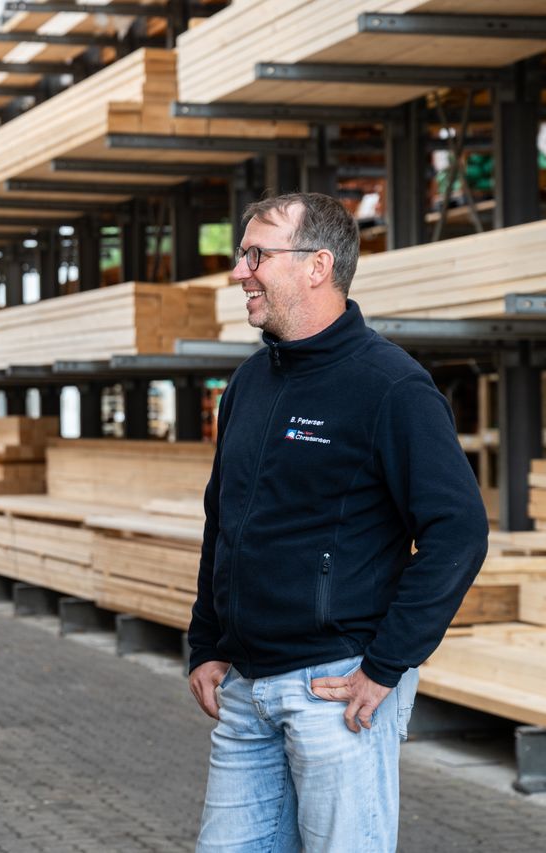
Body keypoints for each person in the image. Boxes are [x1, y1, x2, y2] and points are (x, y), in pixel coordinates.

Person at [188, 192, 488, 852]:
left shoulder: (388, 386)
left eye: (255, 254)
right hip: (245, 687)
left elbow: (457, 530)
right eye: (243, 255)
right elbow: (223, 518)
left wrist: (385, 664)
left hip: (335, 690)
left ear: (316, 265)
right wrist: (205, 639)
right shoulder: (247, 384)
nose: (240, 272)